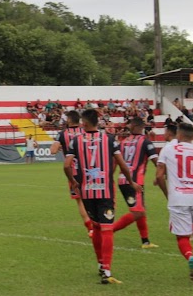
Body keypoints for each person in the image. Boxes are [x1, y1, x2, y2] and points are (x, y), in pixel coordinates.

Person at [63, 108, 140, 284]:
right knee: (106, 229)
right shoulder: (110, 140)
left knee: (96, 227)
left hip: (87, 191)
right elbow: (122, 164)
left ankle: (100, 264)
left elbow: (67, 165)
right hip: (105, 191)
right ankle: (106, 269)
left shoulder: (76, 141)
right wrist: (131, 182)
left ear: (85, 123)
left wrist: (73, 181)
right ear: (97, 122)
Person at [155, 123, 193, 283]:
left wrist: (168, 194)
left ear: (179, 135)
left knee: (182, 237)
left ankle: (190, 258)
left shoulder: (168, 149)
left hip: (178, 199)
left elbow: (159, 176)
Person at [112, 117, 159, 248]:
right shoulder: (145, 141)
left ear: (133, 127)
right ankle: (108, 231)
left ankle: (145, 241)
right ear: (141, 126)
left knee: (140, 210)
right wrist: (161, 175)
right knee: (138, 212)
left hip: (122, 180)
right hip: (135, 182)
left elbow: (114, 163)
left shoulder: (123, 142)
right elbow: (157, 162)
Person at [50, 110, 91, 237]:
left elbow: (52, 150)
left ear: (68, 120)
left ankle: (90, 229)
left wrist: (62, 146)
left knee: (80, 201)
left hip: (73, 171)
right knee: (92, 198)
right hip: (90, 170)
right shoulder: (85, 131)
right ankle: (100, 224)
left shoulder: (62, 134)